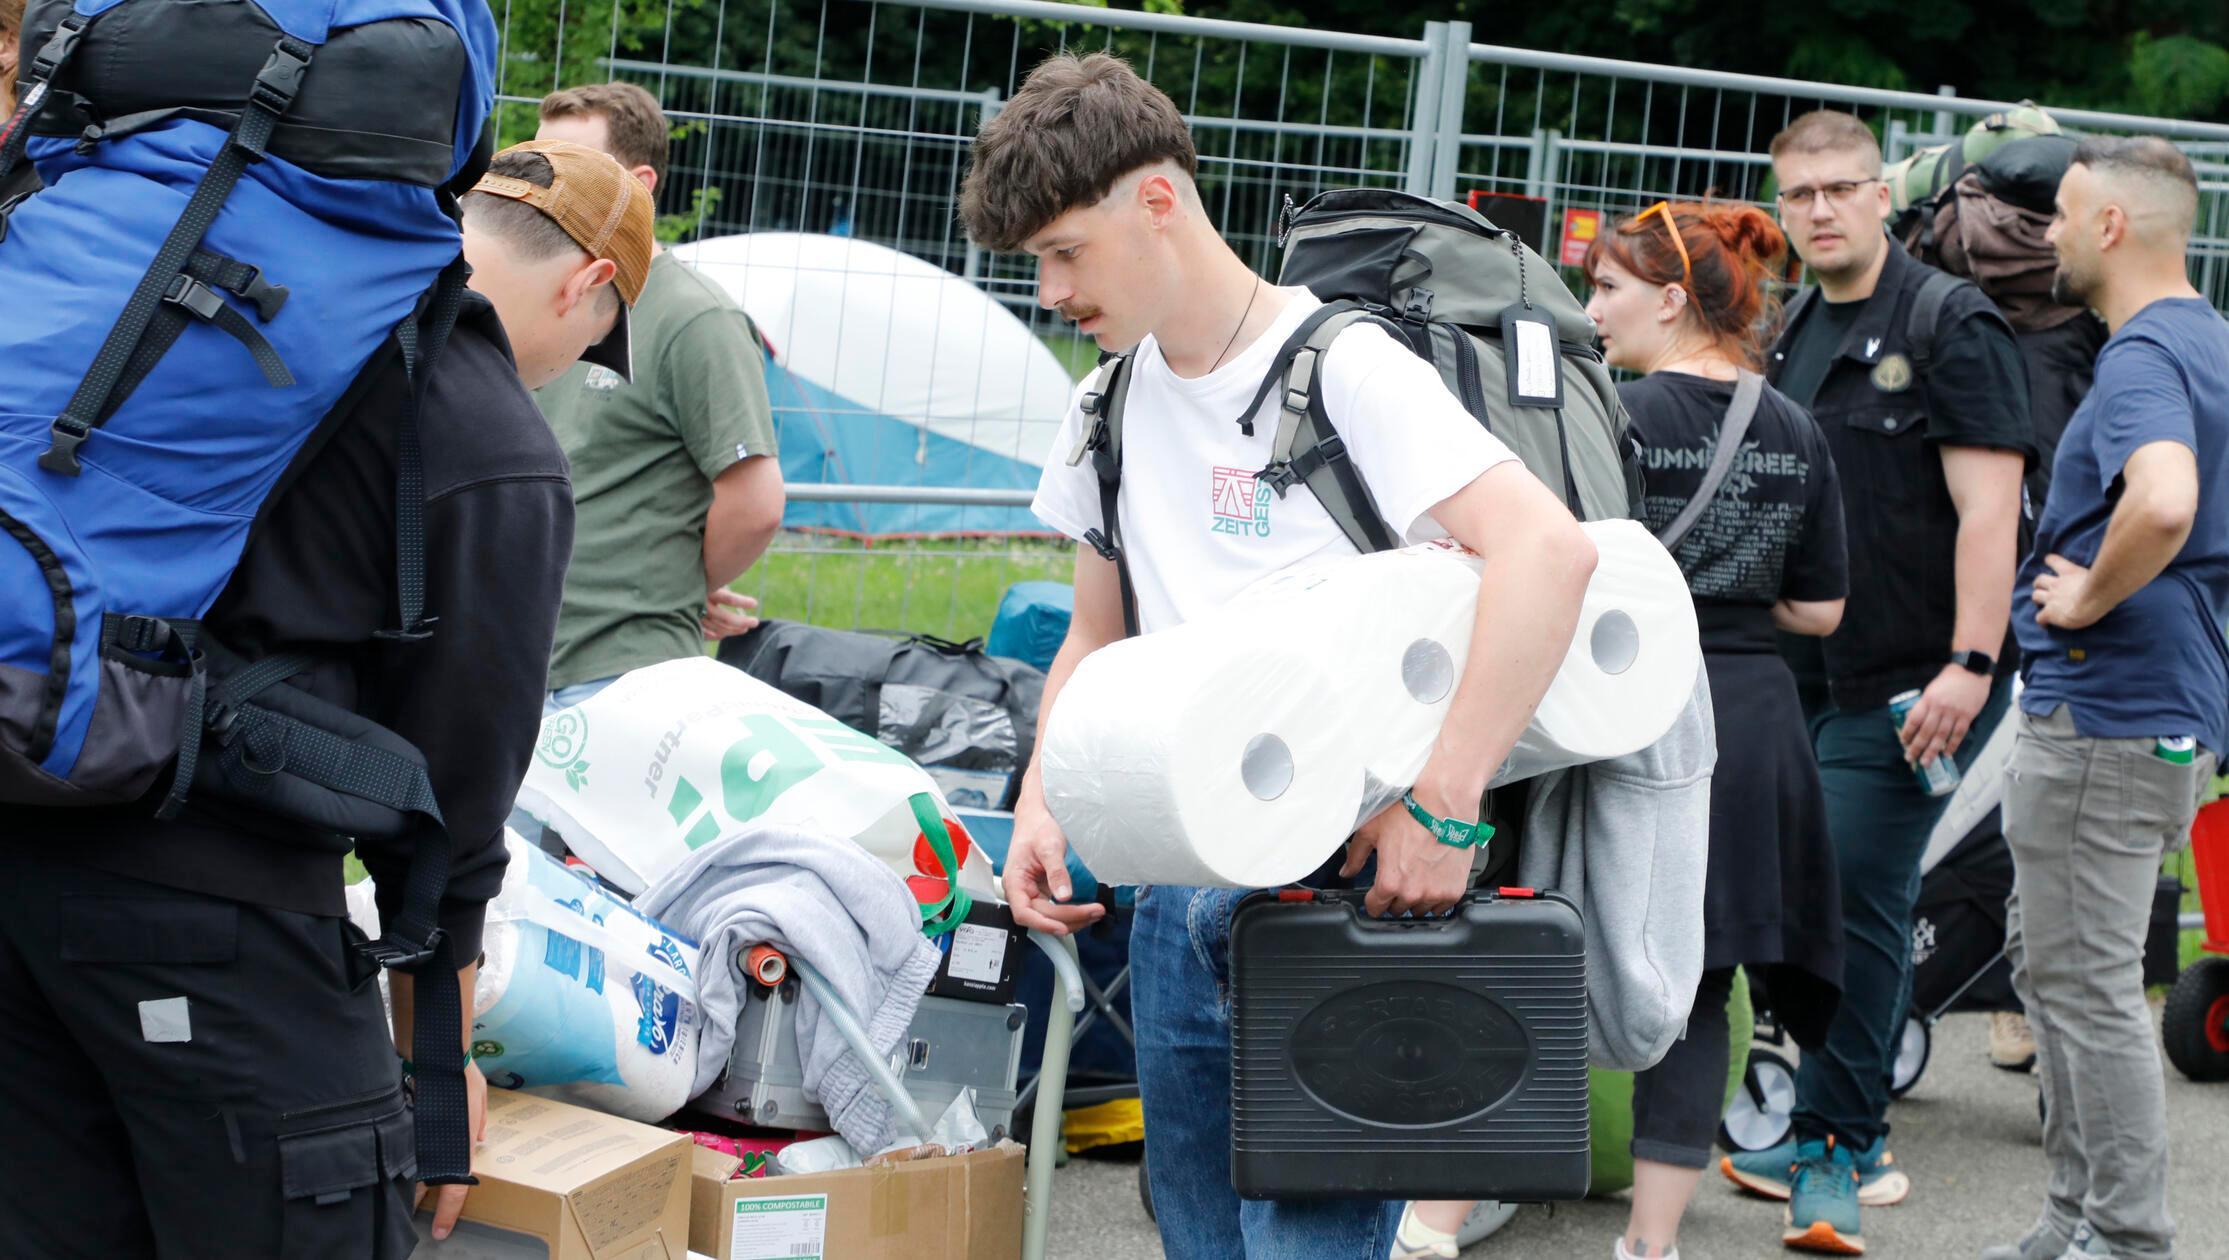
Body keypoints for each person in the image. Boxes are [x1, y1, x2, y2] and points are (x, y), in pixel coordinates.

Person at [962, 51, 1599, 1260]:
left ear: (1157, 200)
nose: (1049, 290)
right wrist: (1044, 797)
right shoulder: (1105, 403)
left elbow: (1548, 555)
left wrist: (1445, 806)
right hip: (1172, 888)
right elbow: (1099, 633)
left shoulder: (1343, 366)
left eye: (1063, 252)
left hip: (1341, 887)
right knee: (1199, 1243)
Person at [0, 136, 668, 1257]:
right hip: (221, 916)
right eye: (597, 344)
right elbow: (456, 791)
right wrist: (438, 1075)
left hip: (26, 855)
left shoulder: (204, 321)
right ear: (589, 286)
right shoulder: (485, 429)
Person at [1722, 110, 2034, 1255]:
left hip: (1915, 682)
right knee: (1806, 904)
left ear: (1880, 195)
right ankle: (1812, 1124)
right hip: (1800, 676)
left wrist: (1969, 662)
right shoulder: (1793, 324)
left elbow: (1989, 515)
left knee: (1857, 901)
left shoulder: (1951, 323)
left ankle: (1835, 1156)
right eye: (1799, 194)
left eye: (1842, 189)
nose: (1819, 211)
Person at [1581, 200, 1850, 1260]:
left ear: (1670, 295)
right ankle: (1651, 1244)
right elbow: (1823, 610)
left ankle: (1440, 1215)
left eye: (1606, 287)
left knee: (1560, 944)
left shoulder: (1615, 412)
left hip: (1629, 711)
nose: (1592, 308)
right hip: (1751, 723)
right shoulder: (1796, 425)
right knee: (1698, 985)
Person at [1982, 136, 2229, 1260]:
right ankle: (2076, 1224)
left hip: (2104, 711)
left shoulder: (2140, 359)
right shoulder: (2209, 342)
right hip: (2146, 713)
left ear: (2115, 228)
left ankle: (2121, 1239)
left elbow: (2166, 501)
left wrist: (2081, 605)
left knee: (2082, 990)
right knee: (2059, 971)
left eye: (2066, 215)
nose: (2051, 234)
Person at [528, 82, 784, 721]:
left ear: (638, 187)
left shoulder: (697, 319)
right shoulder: (534, 296)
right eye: (539, 168)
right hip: (510, 660)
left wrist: (677, 587)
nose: (540, 192)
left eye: (570, 173)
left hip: (613, 683)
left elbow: (755, 505)